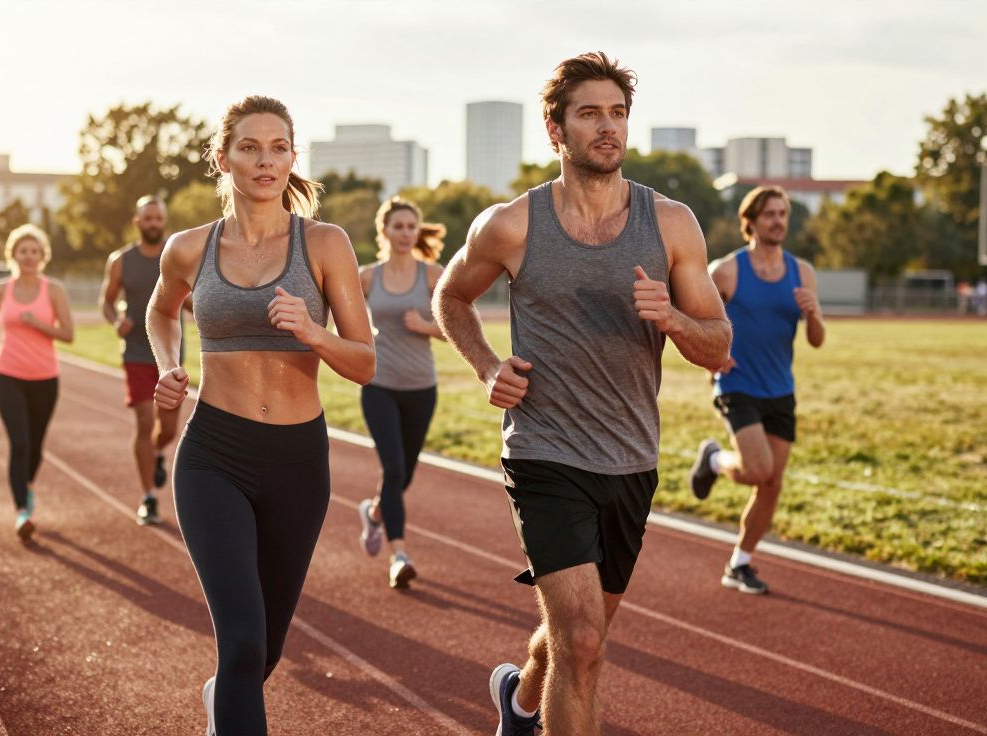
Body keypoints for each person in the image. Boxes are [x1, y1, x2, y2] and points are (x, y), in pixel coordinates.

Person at [434, 52, 731, 735]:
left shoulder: (671, 225)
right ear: (555, 129)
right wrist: (485, 367)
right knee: (586, 642)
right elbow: (451, 295)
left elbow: (718, 343)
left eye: (618, 113)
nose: (608, 128)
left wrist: (674, 319)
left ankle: (519, 699)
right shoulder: (511, 224)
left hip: (630, 459)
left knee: (575, 637)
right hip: (544, 453)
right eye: (589, 114)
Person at [145, 95, 374, 735]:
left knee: (265, 652)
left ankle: (224, 701)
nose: (265, 160)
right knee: (242, 642)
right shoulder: (189, 249)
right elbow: (162, 311)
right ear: (222, 159)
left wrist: (315, 334)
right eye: (249, 147)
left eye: (278, 147)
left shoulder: (325, 245)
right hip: (215, 454)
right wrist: (169, 364)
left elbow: (364, 362)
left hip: (299, 461)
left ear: (293, 158)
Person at [689, 185, 826, 595]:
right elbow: (697, 323)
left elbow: (816, 340)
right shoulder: (726, 271)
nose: (778, 221)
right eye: (770, 215)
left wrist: (814, 314)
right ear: (750, 221)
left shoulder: (802, 273)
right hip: (738, 383)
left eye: (783, 214)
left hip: (780, 389)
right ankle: (714, 459)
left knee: (771, 484)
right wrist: (714, 359)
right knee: (758, 469)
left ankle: (740, 563)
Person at [355, 197, 447, 589]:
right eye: (399, 226)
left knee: (404, 475)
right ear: (385, 231)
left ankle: (374, 512)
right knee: (392, 469)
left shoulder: (433, 276)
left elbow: (460, 329)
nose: (406, 233)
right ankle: (399, 555)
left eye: (412, 226)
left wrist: (425, 326)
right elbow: (347, 322)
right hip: (379, 385)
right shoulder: (366, 278)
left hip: (421, 388)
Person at [0, 224, 75, 541]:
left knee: (36, 448)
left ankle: (27, 486)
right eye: (24, 251)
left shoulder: (54, 290)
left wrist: (37, 324)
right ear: (13, 255)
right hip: (7, 374)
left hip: (45, 378)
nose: (29, 256)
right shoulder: (0, 289)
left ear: (42, 256)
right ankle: (22, 511)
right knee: (19, 444)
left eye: (35, 251)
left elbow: (68, 334)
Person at [100, 195, 187, 525]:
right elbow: (107, 301)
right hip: (136, 352)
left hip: (171, 355)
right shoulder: (121, 260)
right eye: (147, 218)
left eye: (157, 218)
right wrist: (115, 320)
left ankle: (158, 453)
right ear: (137, 222)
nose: (153, 223)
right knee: (143, 422)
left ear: (164, 221)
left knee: (167, 429)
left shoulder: (177, 257)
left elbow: (191, 300)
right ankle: (149, 497)